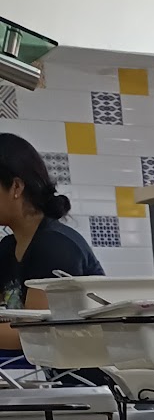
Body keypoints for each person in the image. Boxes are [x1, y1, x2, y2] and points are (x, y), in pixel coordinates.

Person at [0, 134, 104, 358]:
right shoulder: (8, 247)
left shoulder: (53, 246)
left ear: (16, 187)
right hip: (62, 374)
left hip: (98, 376)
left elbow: (37, 333)